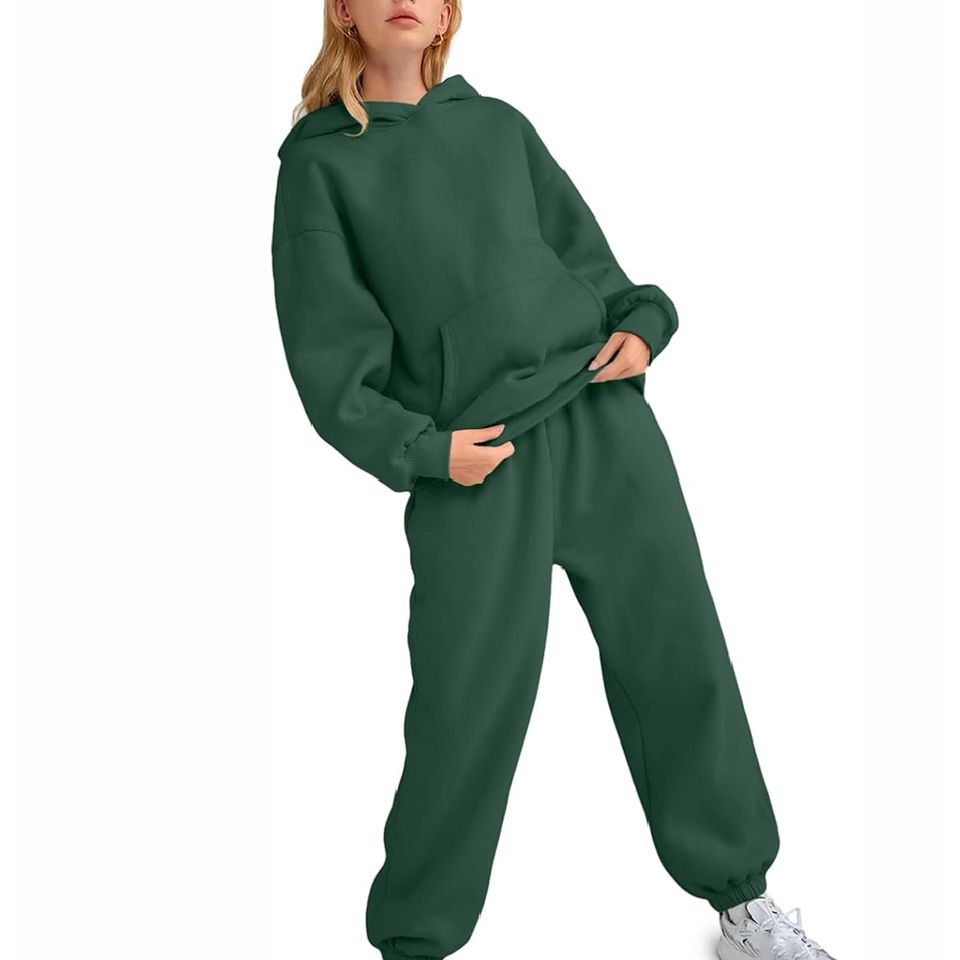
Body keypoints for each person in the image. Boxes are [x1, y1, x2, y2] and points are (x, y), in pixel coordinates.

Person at [270, 3, 838, 959]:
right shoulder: (319, 167)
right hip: (476, 459)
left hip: (603, 423)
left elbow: (592, 265)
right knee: (464, 707)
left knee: (680, 658)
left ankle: (742, 903)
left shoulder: (500, 127)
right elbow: (329, 359)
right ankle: (414, 941)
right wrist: (423, 450)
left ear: (448, 14)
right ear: (344, 11)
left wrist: (640, 327)